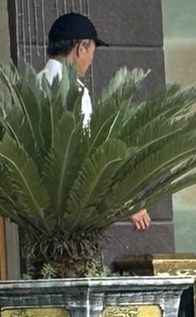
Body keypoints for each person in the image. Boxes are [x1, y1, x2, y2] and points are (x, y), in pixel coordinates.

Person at [41, 12, 152, 232]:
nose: (91, 60)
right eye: (92, 50)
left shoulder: (34, 83)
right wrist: (125, 202)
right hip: (69, 218)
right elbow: (86, 156)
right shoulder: (75, 91)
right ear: (80, 47)